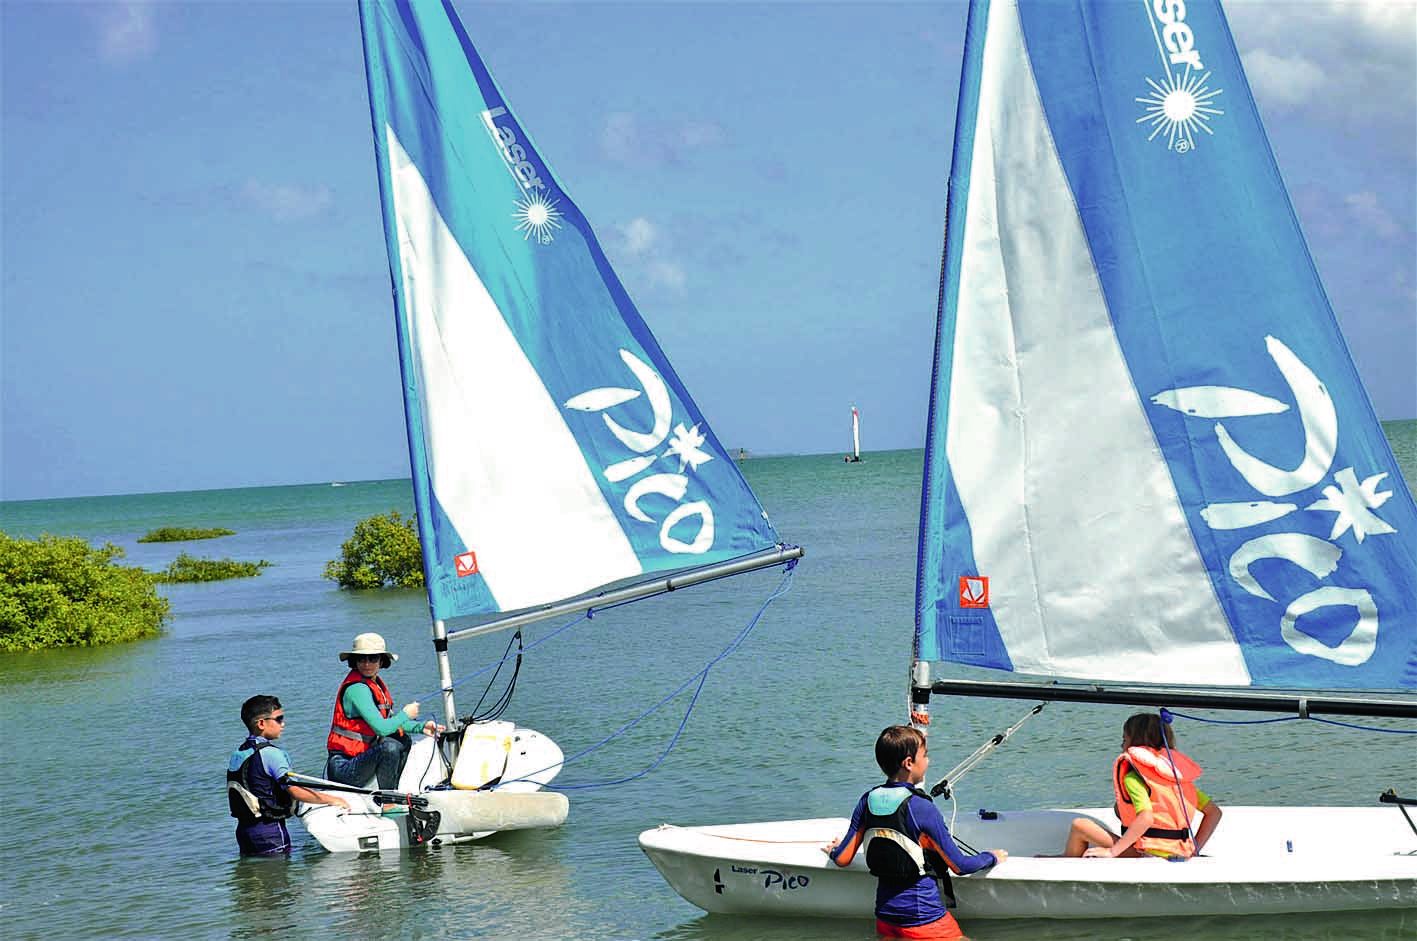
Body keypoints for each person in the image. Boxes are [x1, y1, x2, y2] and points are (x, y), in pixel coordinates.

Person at [826, 726, 1007, 940]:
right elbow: (960, 866)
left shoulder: (867, 800)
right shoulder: (921, 807)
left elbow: (843, 858)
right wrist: (992, 856)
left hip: (886, 918)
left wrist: (834, 851)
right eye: (925, 754)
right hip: (925, 920)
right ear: (909, 763)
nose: (928, 760)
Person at [1060, 711, 1223, 859]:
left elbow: (1146, 818)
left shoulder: (1134, 778)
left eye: (1124, 740)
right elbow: (1214, 812)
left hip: (1147, 855)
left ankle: (1065, 870)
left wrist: (1112, 851)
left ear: (1134, 743)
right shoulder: (1179, 780)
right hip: (1181, 853)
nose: (1122, 745)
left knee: (1080, 826)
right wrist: (1195, 848)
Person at [228, 694, 348, 856]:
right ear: (262, 723)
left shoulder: (238, 753)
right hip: (270, 831)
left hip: (244, 832)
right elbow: (295, 791)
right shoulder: (272, 754)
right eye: (278, 719)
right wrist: (333, 800)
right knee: (279, 879)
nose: (283, 724)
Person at [325, 632, 442, 796]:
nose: (366, 664)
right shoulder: (356, 689)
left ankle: (393, 790)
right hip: (343, 768)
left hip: (359, 760)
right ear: (354, 661)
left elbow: (389, 722)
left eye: (372, 658)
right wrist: (406, 714)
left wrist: (421, 727)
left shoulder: (374, 685)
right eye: (361, 659)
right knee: (390, 747)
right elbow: (382, 729)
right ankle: (389, 801)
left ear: (381, 661)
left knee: (402, 739)